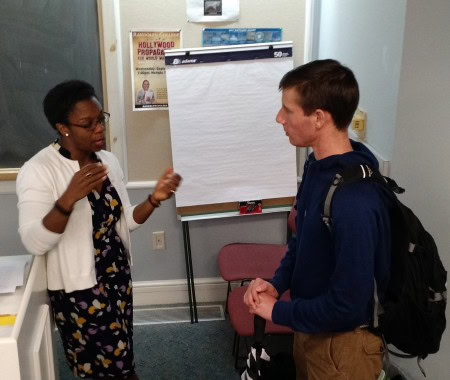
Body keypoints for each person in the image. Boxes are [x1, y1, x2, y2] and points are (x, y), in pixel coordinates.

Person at [16, 80, 181, 379]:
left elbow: (124, 222)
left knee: (121, 353)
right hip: (80, 290)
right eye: (87, 123)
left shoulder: (107, 161)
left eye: (100, 119)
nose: (99, 128)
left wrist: (154, 200)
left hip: (116, 276)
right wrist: (68, 198)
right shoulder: (38, 170)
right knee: (105, 366)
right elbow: (34, 241)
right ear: (63, 128)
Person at [244, 59, 391, 380]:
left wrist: (277, 311)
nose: (279, 118)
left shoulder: (355, 200)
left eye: (288, 110)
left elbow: (348, 306)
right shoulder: (317, 166)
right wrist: (276, 284)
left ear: (319, 117)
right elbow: (302, 240)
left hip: (344, 348)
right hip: (309, 327)